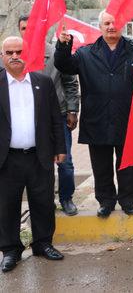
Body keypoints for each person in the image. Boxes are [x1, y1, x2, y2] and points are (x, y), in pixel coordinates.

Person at [55, 10, 133, 218]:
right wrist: (63, 45)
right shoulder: (86, 53)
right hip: (97, 118)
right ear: (100, 26)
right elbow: (64, 65)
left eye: (115, 22)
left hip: (126, 118)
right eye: (107, 23)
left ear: (122, 24)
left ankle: (128, 200)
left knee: (127, 164)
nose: (111, 26)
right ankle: (105, 201)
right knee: (101, 165)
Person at [0, 37, 66, 273]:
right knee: (7, 205)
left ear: (27, 54)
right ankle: (10, 250)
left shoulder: (43, 82)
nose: (15, 56)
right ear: (2, 56)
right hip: (7, 159)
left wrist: (60, 148)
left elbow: (55, 118)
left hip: (40, 155)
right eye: (10, 52)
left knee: (43, 202)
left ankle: (43, 244)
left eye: (19, 51)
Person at [17, 16, 80, 216]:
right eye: (23, 28)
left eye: (32, 27)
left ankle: (66, 198)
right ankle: (45, 202)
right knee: (38, 163)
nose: (27, 32)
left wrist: (72, 110)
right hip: (27, 119)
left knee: (65, 161)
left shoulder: (55, 53)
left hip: (58, 116)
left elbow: (70, 82)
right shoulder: (14, 57)